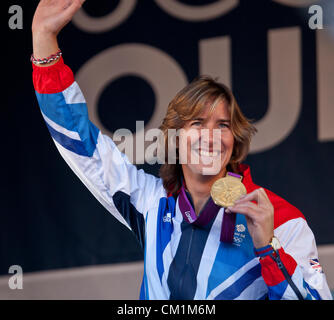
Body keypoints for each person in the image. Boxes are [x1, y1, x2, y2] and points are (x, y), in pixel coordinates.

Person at [31, 0, 332, 300]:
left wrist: (269, 248)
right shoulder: (151, 202)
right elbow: (84, 145)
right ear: (175, 139)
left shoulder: (280, 219)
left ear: (235, 141)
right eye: (197, 123)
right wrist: (44, 39)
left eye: (223, 125)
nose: (211, 136)